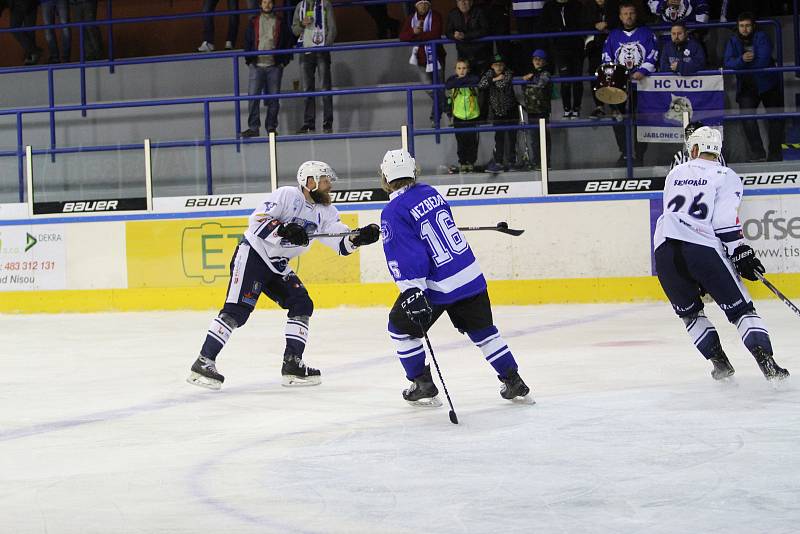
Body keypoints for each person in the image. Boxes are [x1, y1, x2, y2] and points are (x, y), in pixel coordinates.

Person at [187, 161, 381, 390]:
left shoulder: (327, 211)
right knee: (236, 312)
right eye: (325, 180)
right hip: (254, 255)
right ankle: (203, 361)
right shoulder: (287, 195)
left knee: (301, 303)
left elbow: (340, 242)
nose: (330, 186)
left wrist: (358, 237)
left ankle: (292, 364)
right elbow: (257, 220)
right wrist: (283, 229)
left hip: (278, 265)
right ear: (310, 182)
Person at [378, 148, 533, 406]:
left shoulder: (393, 211)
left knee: (400, 329)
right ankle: (513, 380)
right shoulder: (430, 192)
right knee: (484, 332)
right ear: (414, 171)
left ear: (385, 177)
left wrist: (411, 290)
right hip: (469, 276)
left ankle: (422, 382)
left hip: (437, 286)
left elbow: (410, 254)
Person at [653, 126, 789, 382]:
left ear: (693, 149)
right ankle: (767, 364)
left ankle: (720, 364)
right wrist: (740, 251)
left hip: (664, 250)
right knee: (742, 312)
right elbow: (724, 221)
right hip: (701, 248)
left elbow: (678, 213)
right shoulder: (725, 175)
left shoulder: (674, 174)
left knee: (690, 314)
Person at [601, 2, 658, 166]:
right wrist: (617, 76)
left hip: (642, 86)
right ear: (620, 16)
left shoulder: (646, 33)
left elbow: (653, 54)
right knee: (618, 120)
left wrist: (643, 71)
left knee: (641, 121)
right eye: (625, 14)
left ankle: (639, 155)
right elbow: (606, 57)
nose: (628, 16)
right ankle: (625, 153)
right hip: (619, 86)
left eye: (631, 13)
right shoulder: (613, 36)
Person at [723, 12, 783, 162]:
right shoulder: (733, 40)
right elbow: (728, 63)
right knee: (748, 119)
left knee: (776, 119)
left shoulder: (761, 37)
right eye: (741, 26)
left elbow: (763, 61)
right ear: (738, 27)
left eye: (748, 25)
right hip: (747, 86)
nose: (745, 29)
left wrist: (741, 64)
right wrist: (742, 60)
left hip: (768, 83)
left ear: (753, 26)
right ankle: (758, 154)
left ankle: (775, 154)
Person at [240, 0, 294, 137]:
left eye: (269, 2)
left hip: (274, 66)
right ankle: (253, 128)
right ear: (260, 4)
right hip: (256, 65)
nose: (267, 5)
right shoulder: (253, 22)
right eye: (264, 2)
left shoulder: (280, 22)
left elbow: (288, 42)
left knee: (273, 100)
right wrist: (249, 60)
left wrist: (283, 62)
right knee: (253, 97)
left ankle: (271, 127)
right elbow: (247, 40)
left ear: (273, 4)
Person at [399, 0, 447, 127]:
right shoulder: (411, 18)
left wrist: (416, 36)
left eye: (426, 3)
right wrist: (413, 32)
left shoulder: (436, 16)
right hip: (420, 60)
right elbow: (403, 36)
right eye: (421, 3)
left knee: (439, 87)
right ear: (416, 5)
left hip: (437, 57)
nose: (423, 6)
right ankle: (448, 107)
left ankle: (434, 118)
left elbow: (435, 34)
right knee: (432, 89)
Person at [292, 0, 337, 134]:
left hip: (321, 52)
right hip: (305, 53)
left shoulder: (326, 4)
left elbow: (333, 28)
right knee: (307, 90)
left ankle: (327, 123)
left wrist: (325, 46)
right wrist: (302, 24)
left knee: (325, 88)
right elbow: (294, 30)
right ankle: (309, 123)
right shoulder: (300, 6)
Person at [539, 0, 584, 119]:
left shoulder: (577, 5)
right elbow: (544, 26)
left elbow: (583, 23)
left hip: (577, 48)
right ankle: (567, 108)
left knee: (577, 79)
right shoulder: (549, 6)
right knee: (565, 80)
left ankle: (576, 108)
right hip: (559, 49)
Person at [478, 54, 518, 172]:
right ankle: (499, 162)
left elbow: (502, 84)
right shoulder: (489, 74)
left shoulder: (508, 73)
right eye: (496, 65)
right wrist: (494, 79)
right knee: (499, 138)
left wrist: (491, 81)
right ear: (492, 66)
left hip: (511, 111)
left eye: (501, 65)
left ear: (504, 65)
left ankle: (511, 162)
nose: (499, 67)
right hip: (497, 112)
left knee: (512, 138)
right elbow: (481, 85)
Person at [583, 0, 620, 120]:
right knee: (595, 73)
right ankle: (599, 106)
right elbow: (581, 23)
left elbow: (620, 21)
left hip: (612, 45)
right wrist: (595, 25)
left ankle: (615, 106)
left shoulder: (614, 6)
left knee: (611, 73)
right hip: (594, 47)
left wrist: (607, 24)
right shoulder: (587, 8)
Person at [445, 58, 481, 173]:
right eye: (459, 68)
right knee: (461, 141)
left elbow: (476, 80)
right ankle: (462, 163)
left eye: (464, 68)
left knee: (472, 141)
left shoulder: (473, 79)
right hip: (458, 116)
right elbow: (449, 84)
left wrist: (462, 81)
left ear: (468, 69)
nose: (461, 71)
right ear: (455, 70)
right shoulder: (452, 80)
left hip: (473, 116)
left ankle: (471, 163)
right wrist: (463, 81)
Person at [445, 0, 492, 83]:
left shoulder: (479, 12)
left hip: (480, 53)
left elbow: (486, 30)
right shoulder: (453, 14)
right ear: (457, 3)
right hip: (463, 53)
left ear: (471, 2)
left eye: (466, 0)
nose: (463, 3)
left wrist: (465, 36)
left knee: (482, 82)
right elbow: (448, 32)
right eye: (460, 0)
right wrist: (454, 36)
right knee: (465, 82)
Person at [522, 49, 552, 170]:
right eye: (535, 59)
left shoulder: (545, 73)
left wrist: (529, 79)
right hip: (531, 111)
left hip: (542, 111)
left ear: (544, 62)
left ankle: (546, 162)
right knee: (534, 140)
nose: (538, 62)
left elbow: (540, 84)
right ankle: (536, 162)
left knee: (544, 139)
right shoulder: (530, 73)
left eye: (540, 60)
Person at [9, 0, 41, 65]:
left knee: (30, 31)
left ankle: (30, 56)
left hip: (30, 5)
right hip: (16, 6)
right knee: (15, 28)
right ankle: (33, 51)